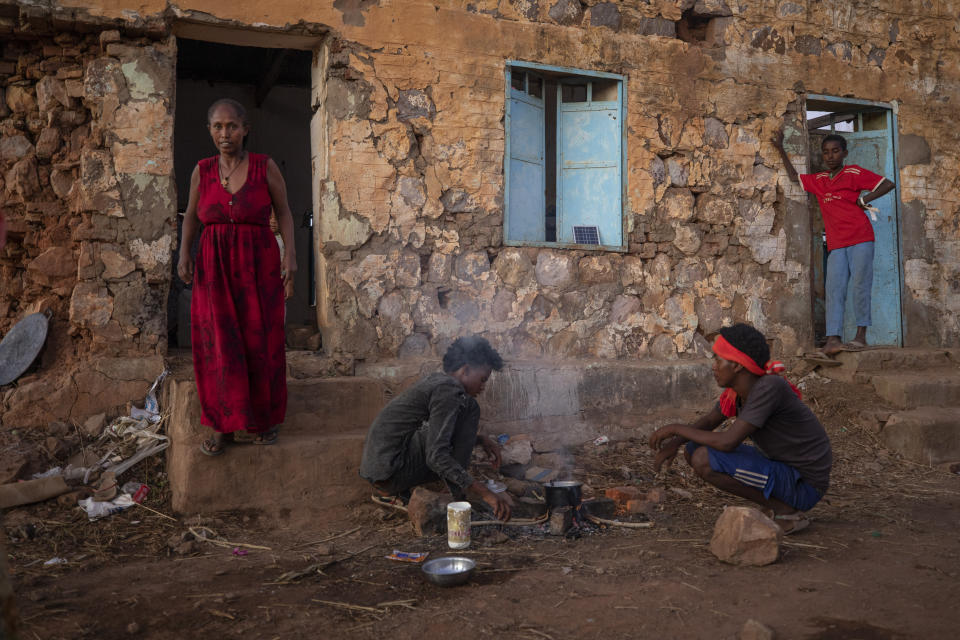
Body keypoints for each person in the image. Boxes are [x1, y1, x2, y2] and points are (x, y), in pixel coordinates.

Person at [177, 98, 297, 455]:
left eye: (232, 126)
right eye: (217, 126)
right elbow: (190, 217)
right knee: (217, 343)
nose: (224, 133)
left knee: (260, 340)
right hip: (214, 266)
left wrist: (290, 256)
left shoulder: (265, 167)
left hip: (258, 263)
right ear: (210, 130)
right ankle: (221, 424)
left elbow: (286, 212)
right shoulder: (202, 170)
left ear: (245, 129)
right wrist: (184, 252)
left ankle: (263, 420)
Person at [648, 324, 832, 534]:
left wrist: (675, 428)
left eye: (718, 360)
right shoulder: (738, 392)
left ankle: (786, 511)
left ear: (737, 365)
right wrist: (674, 443)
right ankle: (775, 502)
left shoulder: (768, 387)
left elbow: (728, 442)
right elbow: (709, 421)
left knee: (703, 459)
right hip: (783, 468)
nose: (713, 366)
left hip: (804, 484)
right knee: (693, 448)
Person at [359, 336, 513, 521]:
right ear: (465, 370)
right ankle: (457, 498)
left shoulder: (437, 381)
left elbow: (442, 432)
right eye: (482, 379)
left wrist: (479, 439)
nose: (483, 387)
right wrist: (483, 491)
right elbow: (436, 456)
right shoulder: (449, 391)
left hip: (380, 468)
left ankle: (450, 489)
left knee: (454, 419)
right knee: (470, 407)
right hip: (390, 472)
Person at [772, 130, 896, 355]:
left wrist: (863, 200)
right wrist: (780, 148)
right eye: (826, 152)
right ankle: (833, 339)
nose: (830, 156)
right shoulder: (819, 180)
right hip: (837, 244)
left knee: (860, 285)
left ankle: (860, 336)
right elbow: (794, 177)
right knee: (834, 289)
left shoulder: (853, 173)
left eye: (835, 151)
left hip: (860, 238)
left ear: (844, 153)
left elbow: (887, 184)